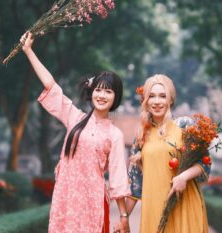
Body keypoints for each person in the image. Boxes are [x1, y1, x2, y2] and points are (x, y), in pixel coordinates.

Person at [20, 32, 131, 233]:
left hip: (92, 202)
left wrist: (124, 217)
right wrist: (28, 51)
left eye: (108, 91)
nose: (102, 95)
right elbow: (51, 86)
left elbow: (118, 180)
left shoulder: (115, 135)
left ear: (116, 98)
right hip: (66, 197)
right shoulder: (75, 118)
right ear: (91, 92)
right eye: (99, 89)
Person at [116, 74, 211, 233]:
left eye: (162, 96)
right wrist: (124, 218)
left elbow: (205, 162)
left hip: (184, 205)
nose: (157, 101)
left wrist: (183, 177)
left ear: (171, 100)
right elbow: (135, 184)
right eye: (152, 96)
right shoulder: (141, 136)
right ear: (146, 100)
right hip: (154, 210)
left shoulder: (185, 125)